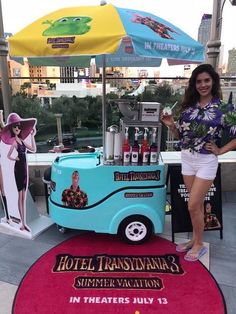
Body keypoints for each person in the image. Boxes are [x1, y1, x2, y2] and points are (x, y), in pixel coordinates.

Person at [161, 63, 236, 262]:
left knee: (193, 205)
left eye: (206, 80)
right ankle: (195, 239)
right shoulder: (189, 107)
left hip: (206, 161)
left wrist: (220, 150)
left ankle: (200, 244)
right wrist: (171, 126)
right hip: (187, 158)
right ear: (194, 84)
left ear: (213, 82)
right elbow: (182, 136)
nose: (203, 85)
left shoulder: (223, 107)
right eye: (199, 81)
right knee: (197, 205)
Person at [1, 113, 37, 232]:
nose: (18, 129)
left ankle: (23, 222)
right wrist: (14, 158)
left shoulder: (21, 140)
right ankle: (22, 223)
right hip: (18, 169)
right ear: (12, 129)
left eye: (19, 127)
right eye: (16, 127)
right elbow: (8, 155)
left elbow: (33, 149)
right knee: (20, 195)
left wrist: (33, 135)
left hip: (23, 168)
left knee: (23, 196)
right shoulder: (14, 143)